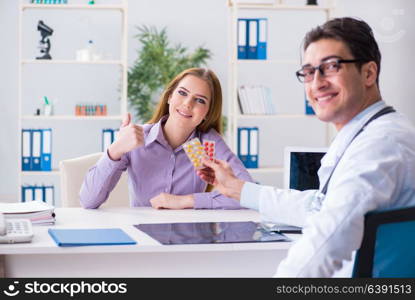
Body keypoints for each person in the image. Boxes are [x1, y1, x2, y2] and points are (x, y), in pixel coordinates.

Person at [198, 17, 415, 277]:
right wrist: (236, 188)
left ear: (368, 73)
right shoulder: (367, 134)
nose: (317, 83)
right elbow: (320, 206)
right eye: (309, 72)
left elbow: (330, 236)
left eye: (331, 67)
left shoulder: (381, 143)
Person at [80, 68, 253, 210]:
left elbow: (249, 194)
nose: (187, 104)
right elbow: (88, 201)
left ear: (207, 113)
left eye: (199, 100)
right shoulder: (137, 138)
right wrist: (115, 149)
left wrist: (185, 201)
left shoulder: (209, 144)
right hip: (143, 238)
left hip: (189, 242)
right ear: (170, 96)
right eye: (182, 93)